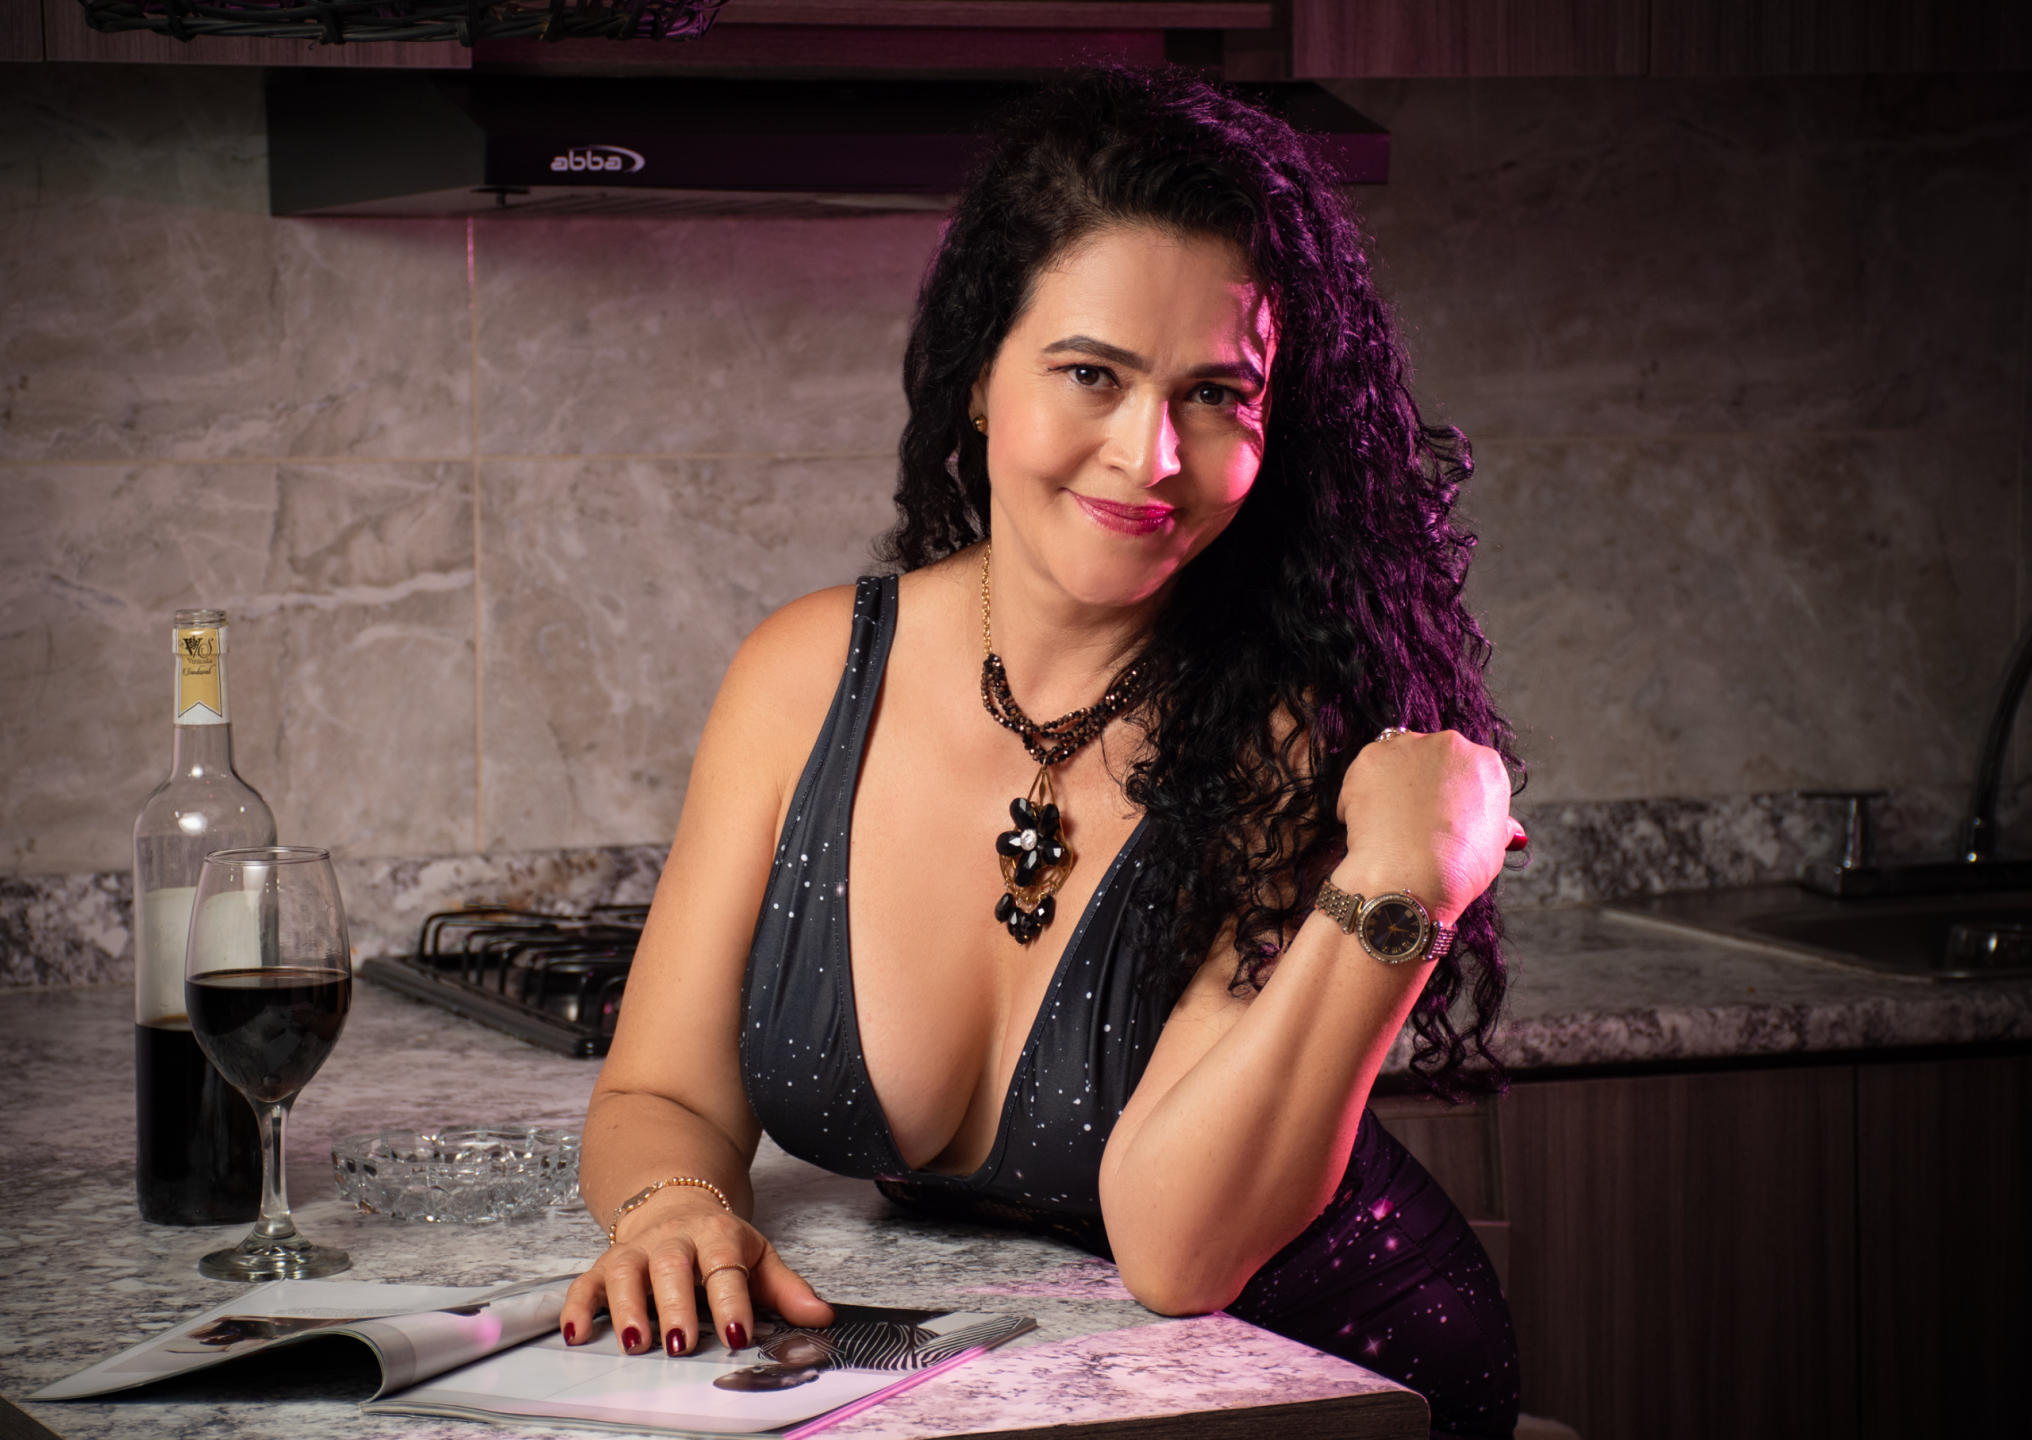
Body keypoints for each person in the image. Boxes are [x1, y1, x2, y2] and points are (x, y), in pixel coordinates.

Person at [562, 67, 1525, 1439]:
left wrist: (1409, 881)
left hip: (1326, 1378)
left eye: (1215, 394)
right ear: (978, 377)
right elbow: (659, 1090)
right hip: (1034, 1385)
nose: (1151, 454)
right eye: (1092, 374)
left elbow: (1179, 1253)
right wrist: (673, 1212)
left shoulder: (1291, 735)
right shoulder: (804, 677)